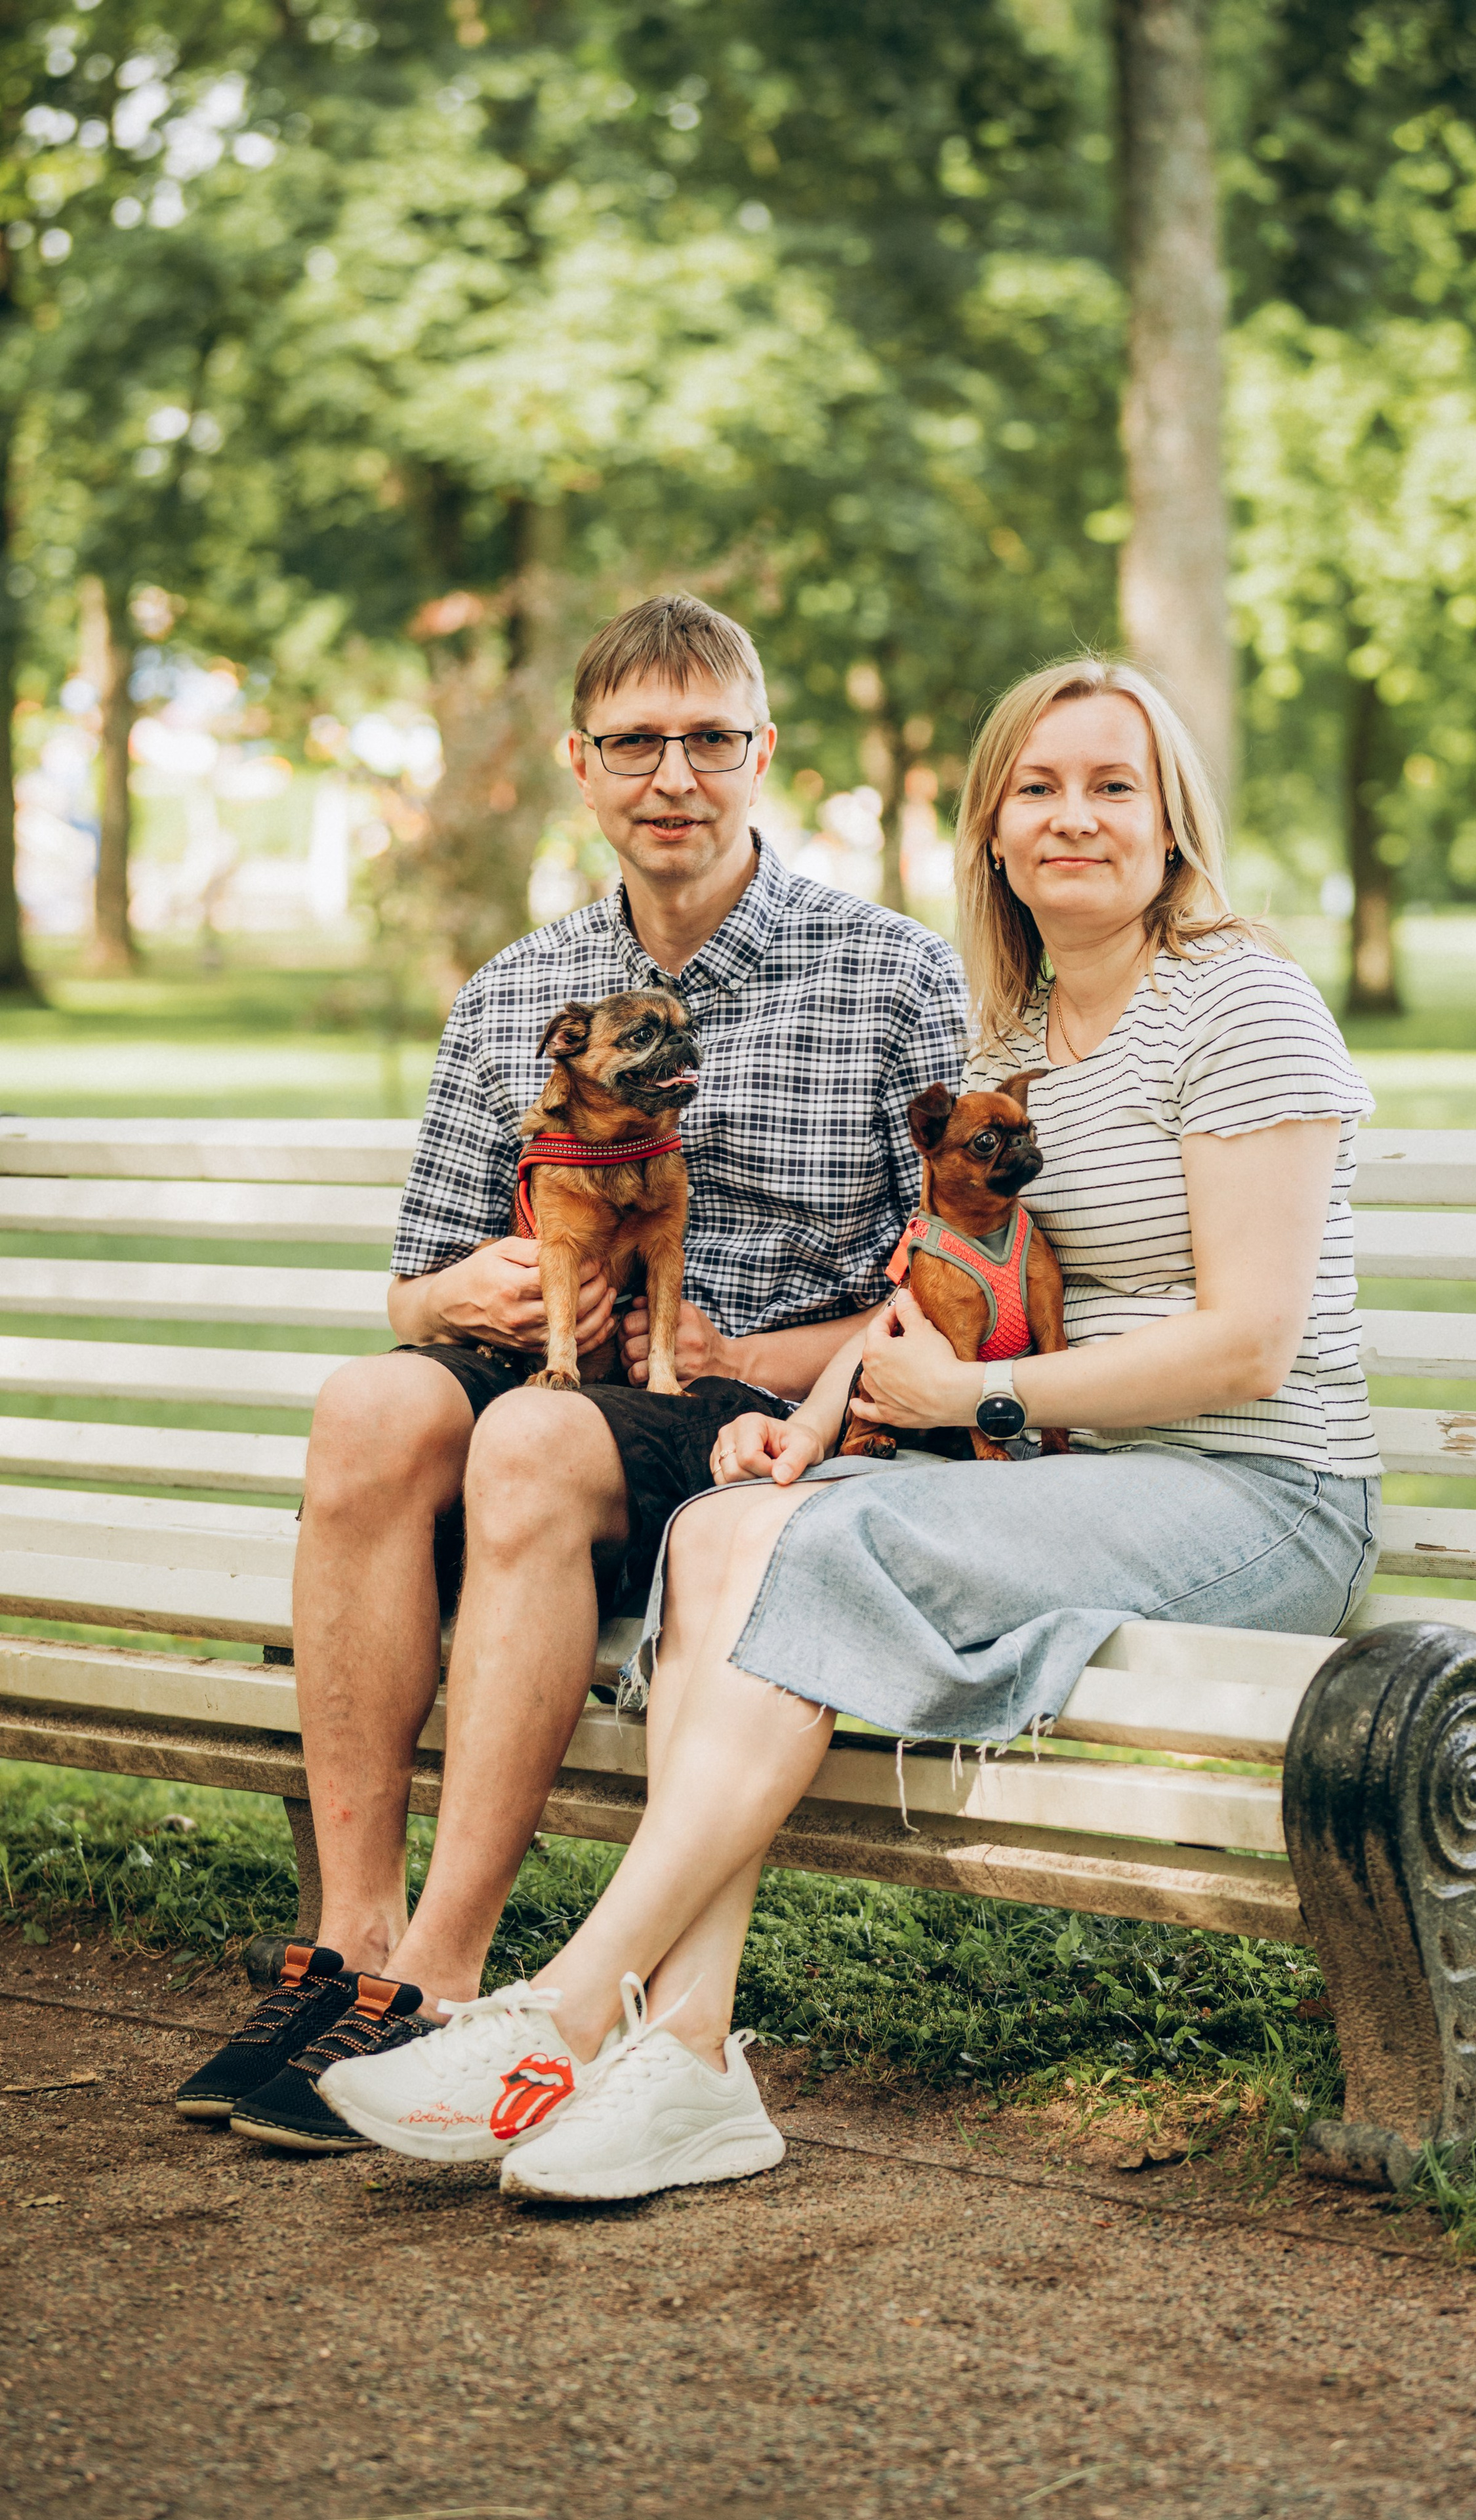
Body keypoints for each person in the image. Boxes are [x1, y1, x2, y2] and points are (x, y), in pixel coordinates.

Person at [312, 652, 1384, 2201]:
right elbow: (934, 1278)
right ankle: (687, 2055)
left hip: (1258, 1494)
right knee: (734, 1522)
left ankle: (565, 2004)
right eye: (1037, 787)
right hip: (1083, 1474)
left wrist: (969, 1402)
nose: (1071, 817)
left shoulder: (1240, 1002)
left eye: (1111, 785)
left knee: (805, 1546)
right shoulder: (1014, 1038)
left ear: (1171, 825)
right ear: (993, 832)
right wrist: (808, 1420)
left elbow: (1248, 1348)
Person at [176, 591, 967, 2149]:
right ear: (579, 764)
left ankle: (441, 1981)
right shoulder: (512, 995)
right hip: (546, 1370)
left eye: (708, 741)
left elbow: (932, 1290)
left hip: (758, 1410)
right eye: (635, 745)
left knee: (532, 1440)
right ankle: (347, 1949)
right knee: (371, 1402)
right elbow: (413, 1287)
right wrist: (452, 1290)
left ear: (762, 755)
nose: (672, 776)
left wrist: (738, 1349)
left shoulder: (887, 977)